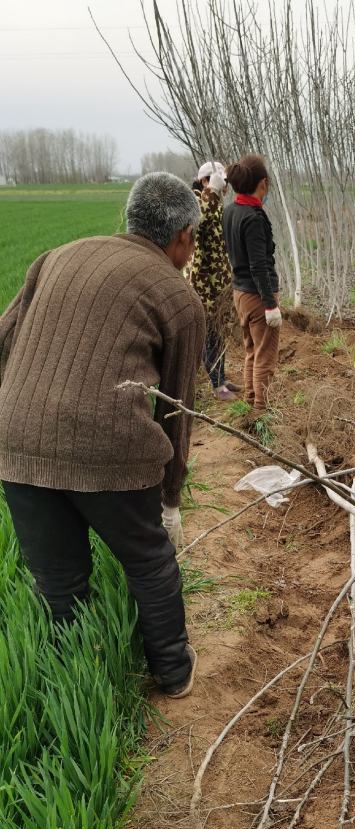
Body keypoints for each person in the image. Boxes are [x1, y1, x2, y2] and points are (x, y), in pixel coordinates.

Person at [0, 172, 205, 698]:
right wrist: (171, 498)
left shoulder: (55, 257)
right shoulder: (178, 298)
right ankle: (174, 673)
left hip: (16, 443)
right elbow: (176, 410)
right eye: (195, 237)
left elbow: (4, 340)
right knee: (148, 560)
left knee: (60, 579)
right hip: (110, 446)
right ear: (181, 235)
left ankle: (76, 678)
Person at [223, 154, 281, 412]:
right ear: (263, 183)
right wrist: (270, 305)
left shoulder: (231, 211)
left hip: (240, 294)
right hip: (258, 297)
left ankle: (249, 402)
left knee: (251, 351)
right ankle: (261, 412)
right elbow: (259, 265)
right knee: (265, 357)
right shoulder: (254, 218)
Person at [188, 160, 238, 401]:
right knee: (209, 336)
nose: (225, 187)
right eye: (221, 182)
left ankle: (221, 377)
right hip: (204, 286)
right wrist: (212, 191)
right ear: (205, 180)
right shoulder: (196, 201)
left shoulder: (215, 202)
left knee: (219, 333)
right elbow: (199, 220)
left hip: (219, 285)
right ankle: (217, 387)